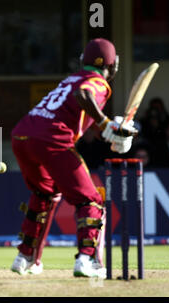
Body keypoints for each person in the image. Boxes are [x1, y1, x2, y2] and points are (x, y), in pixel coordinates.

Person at [10, 38, 137, 278]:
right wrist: (105, 123)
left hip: (22, 136)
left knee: (44, 194)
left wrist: (110, 129)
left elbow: (76, 107)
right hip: (52, 141)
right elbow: (84, 94)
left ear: (83, 60)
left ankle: (26, 257)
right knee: (91, 199)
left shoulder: (70, 79)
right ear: (112, 64)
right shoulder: (97, 82)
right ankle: (87, 260)